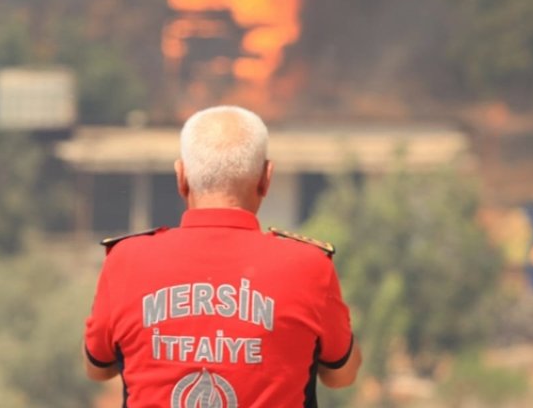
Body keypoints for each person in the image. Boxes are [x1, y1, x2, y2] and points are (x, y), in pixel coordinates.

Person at [82, 105, 362, 406]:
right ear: (266, 178)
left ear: (181, 177)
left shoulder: (126, 259)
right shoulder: (309, 265)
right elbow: (341, 375)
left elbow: (98, 368)